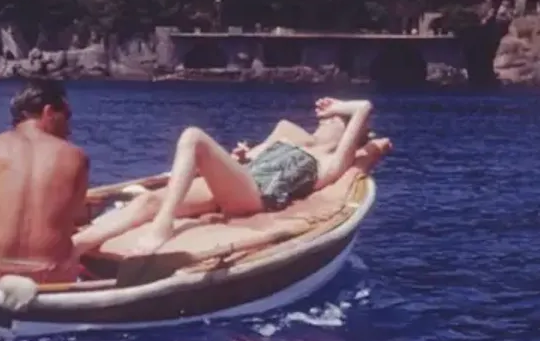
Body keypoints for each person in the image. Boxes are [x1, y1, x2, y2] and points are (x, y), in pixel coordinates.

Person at [71, 97, 377, 258]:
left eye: (335, 119)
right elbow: (251, 161)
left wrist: (342, 106)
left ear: (349, 132)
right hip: (237, 185)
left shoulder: (329, 162)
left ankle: (163, 227)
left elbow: (364, 107)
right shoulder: (291, 140)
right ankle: (73, 249)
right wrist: (243, 157)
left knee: (193, 137)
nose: (323, 120)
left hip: (255, 197)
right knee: (148, 200)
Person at [0, 78, 91, 284]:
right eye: (66, 116)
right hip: (50, 278)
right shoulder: (76, 156)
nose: (69, 128)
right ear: (49, 112)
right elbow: (75, 218)